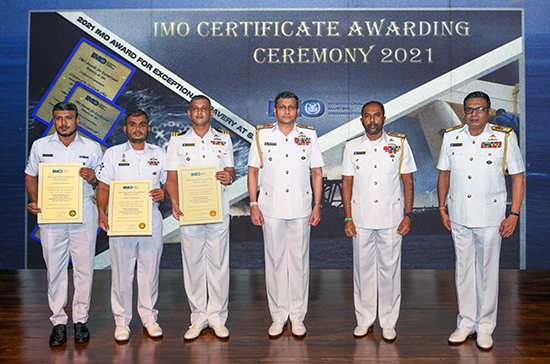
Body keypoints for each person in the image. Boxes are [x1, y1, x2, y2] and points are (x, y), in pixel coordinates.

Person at [437, 91, 525, 350]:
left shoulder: (504, 138)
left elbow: (518, 177)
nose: (474, 114)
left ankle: (485, 327)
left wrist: (514, 214)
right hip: (459, 214)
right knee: (463, 271)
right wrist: (442, 208)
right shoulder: (451, 137)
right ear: (464, 112)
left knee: (487, 273)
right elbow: (444, 174)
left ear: (488, 111)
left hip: (490, 216)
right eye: (469, 109)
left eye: (480, 109)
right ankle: (465, 324)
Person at [247, 91, 324, 338]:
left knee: (299, 263)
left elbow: (317, 173)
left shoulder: (309, 135)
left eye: (291, 107)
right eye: (282, 107)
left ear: (298, 110)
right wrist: (253, 204)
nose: (287, 112)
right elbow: (252, 172)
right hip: (270, 208)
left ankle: (298, 317)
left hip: (301, 207)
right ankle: (279, 316)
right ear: (275, 110)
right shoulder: (261, 135)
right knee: (275, 263)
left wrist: (317, 205)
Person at [25, 102, 102, 346]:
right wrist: (35, 200)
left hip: (84, 214)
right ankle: (58, 321)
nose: (64, 123)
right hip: (52, 214)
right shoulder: (40, 145)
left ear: (78, 120)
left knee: (84, 269)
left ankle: (80, 320)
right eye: (59, 118)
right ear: (54, 120)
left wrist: (94, 178)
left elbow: (104, 181)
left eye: (69, 118)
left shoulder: (92, 147)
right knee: (55, 269)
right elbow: (30, 175)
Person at [341, 101, 416, 341]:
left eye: (377, 116)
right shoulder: (351, 146)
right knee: (362, 272)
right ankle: (364, 319)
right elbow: (346, 184)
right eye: (367, 116)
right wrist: (348, 217)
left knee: (390, 271)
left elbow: (408, 182)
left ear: (384, 118)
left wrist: (408, 214)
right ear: (361, 120)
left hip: (392, 218)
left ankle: (388, 321)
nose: (372, 120)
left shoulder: (400, 144)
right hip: (361, 219)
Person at [164, 95, 235, 340]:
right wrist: (174, 202)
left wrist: (229, 177)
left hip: (217, 211)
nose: (200, 112)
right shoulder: (177, 142)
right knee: (193, 266)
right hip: (189, 212)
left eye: (204, 108)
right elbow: (171, 178)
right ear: (189, 113)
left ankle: (217, 317)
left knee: (218, 265)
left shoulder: (223, 139)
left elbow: (231, 170)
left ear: (211, 113)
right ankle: (198, 317)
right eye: (195, 108)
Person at [96, 109, 166, 342]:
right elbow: (104, 187)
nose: (137, 128)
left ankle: (148, 318)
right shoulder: (113, 154)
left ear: (148, 128)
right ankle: (122, 321)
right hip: (120, 222)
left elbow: (170, 184)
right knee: (121, 273)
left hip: (151, 221)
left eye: (142, 124)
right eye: (132, 124)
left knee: (149, 271)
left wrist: (163, 192)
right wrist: (101, 212)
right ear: (125, 129)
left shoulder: (160, 153)